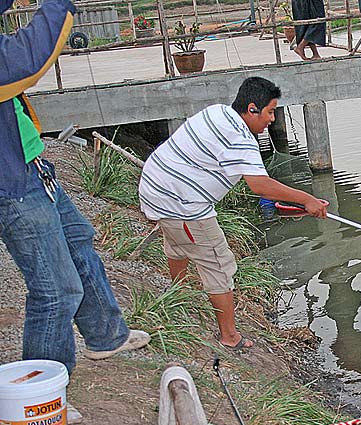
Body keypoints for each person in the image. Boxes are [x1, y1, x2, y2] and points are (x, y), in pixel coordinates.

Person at [0, 0, 151, 401]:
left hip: (29, 165)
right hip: (10, 186)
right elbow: (27, 58)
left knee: (79, 241)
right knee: (56, 289)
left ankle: (106, 336)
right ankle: (43, 397)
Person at [139, 77, 327, 349]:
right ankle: (229, 337)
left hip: (155, 188)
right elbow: (260, 186)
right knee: (219, 264)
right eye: (270, 112)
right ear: (252, 109)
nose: (272, 120)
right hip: (181, 204)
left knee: (177, 243)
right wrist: (307, 199)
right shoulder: (242, 139)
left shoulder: (217, 112)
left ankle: (177, 293)